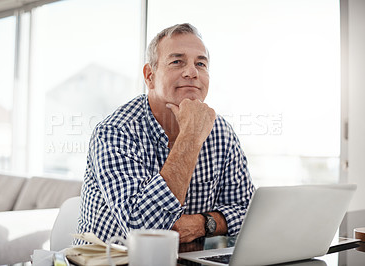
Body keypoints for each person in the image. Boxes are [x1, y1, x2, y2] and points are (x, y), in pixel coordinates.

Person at [75, 23, 255, 244]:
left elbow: (247, 211)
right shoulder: (115, 131)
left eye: (201, 63)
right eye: (177, 62)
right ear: (149, 75)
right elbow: (144, 229)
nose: (192, 72)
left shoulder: (221, 132)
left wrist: (202, 224)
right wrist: (191, 137)